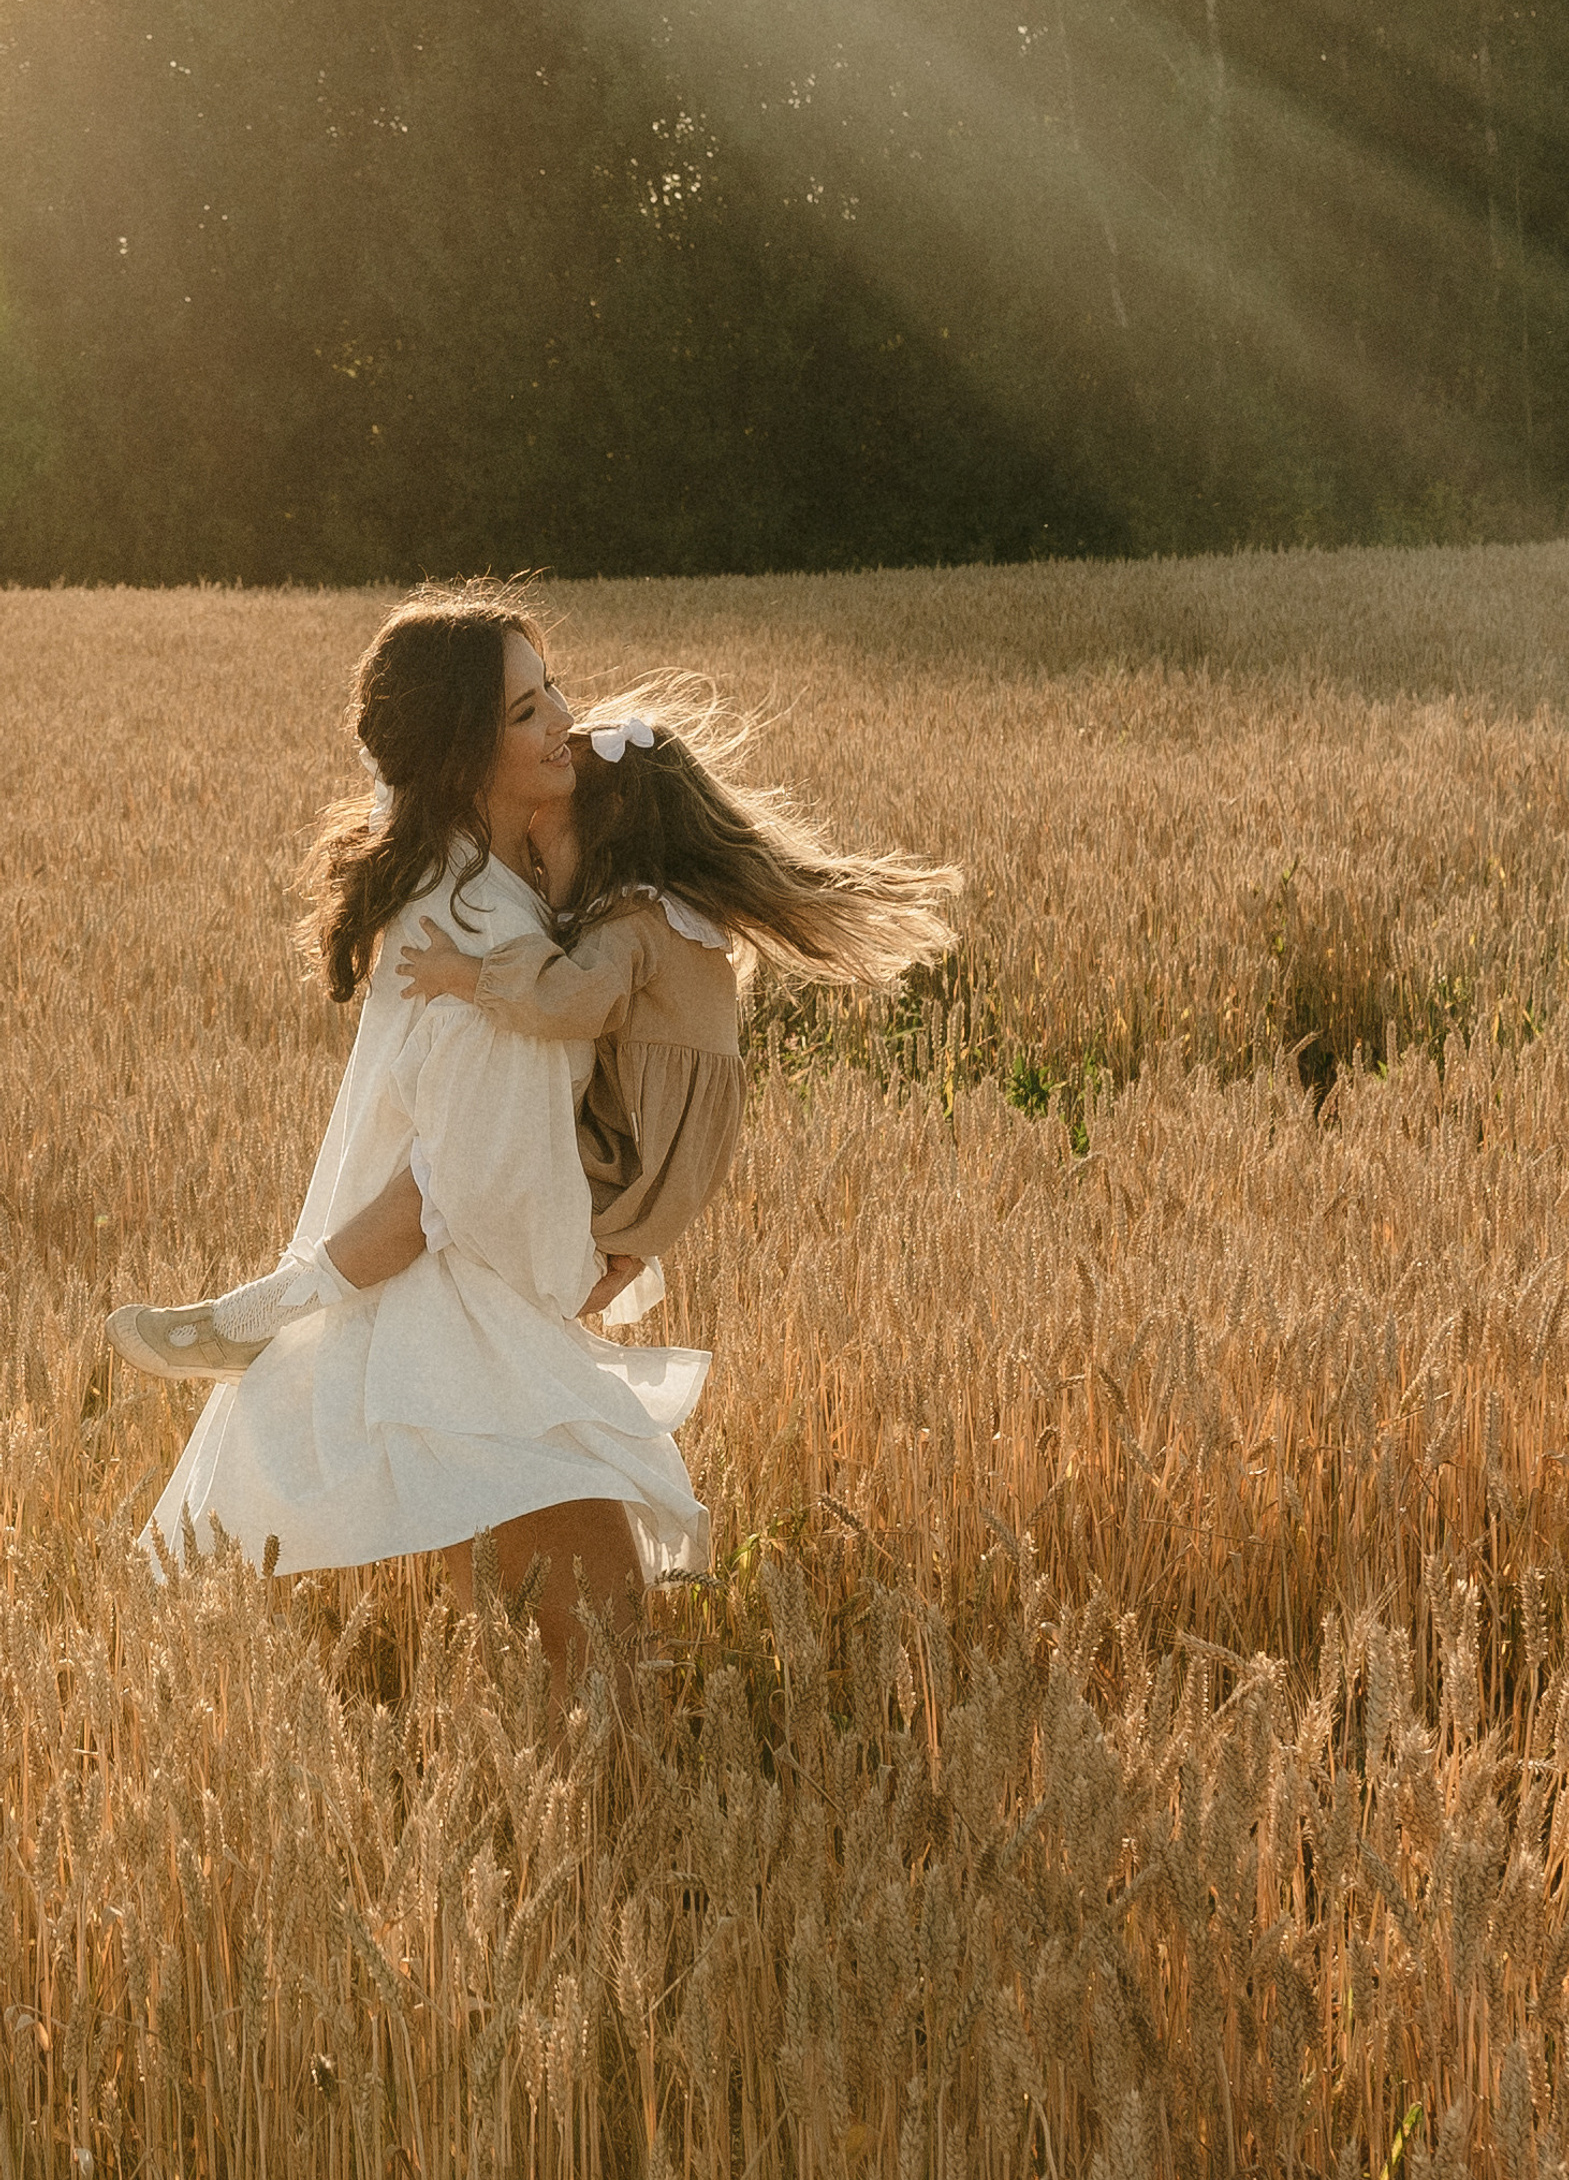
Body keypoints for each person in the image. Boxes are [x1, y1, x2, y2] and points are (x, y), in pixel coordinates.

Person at [111, 586, 958, 1696]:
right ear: (466, 752)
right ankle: (598, 1857)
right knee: (601, 1663)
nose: (564, 717)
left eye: (551, 686)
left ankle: (581, 1850)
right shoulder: (481, 925)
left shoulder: (506, 902)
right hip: (483, 1334)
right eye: (524, 710)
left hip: (477, 1318)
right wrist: (594, 1265)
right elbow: (475, 1177)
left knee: (583, 1667)